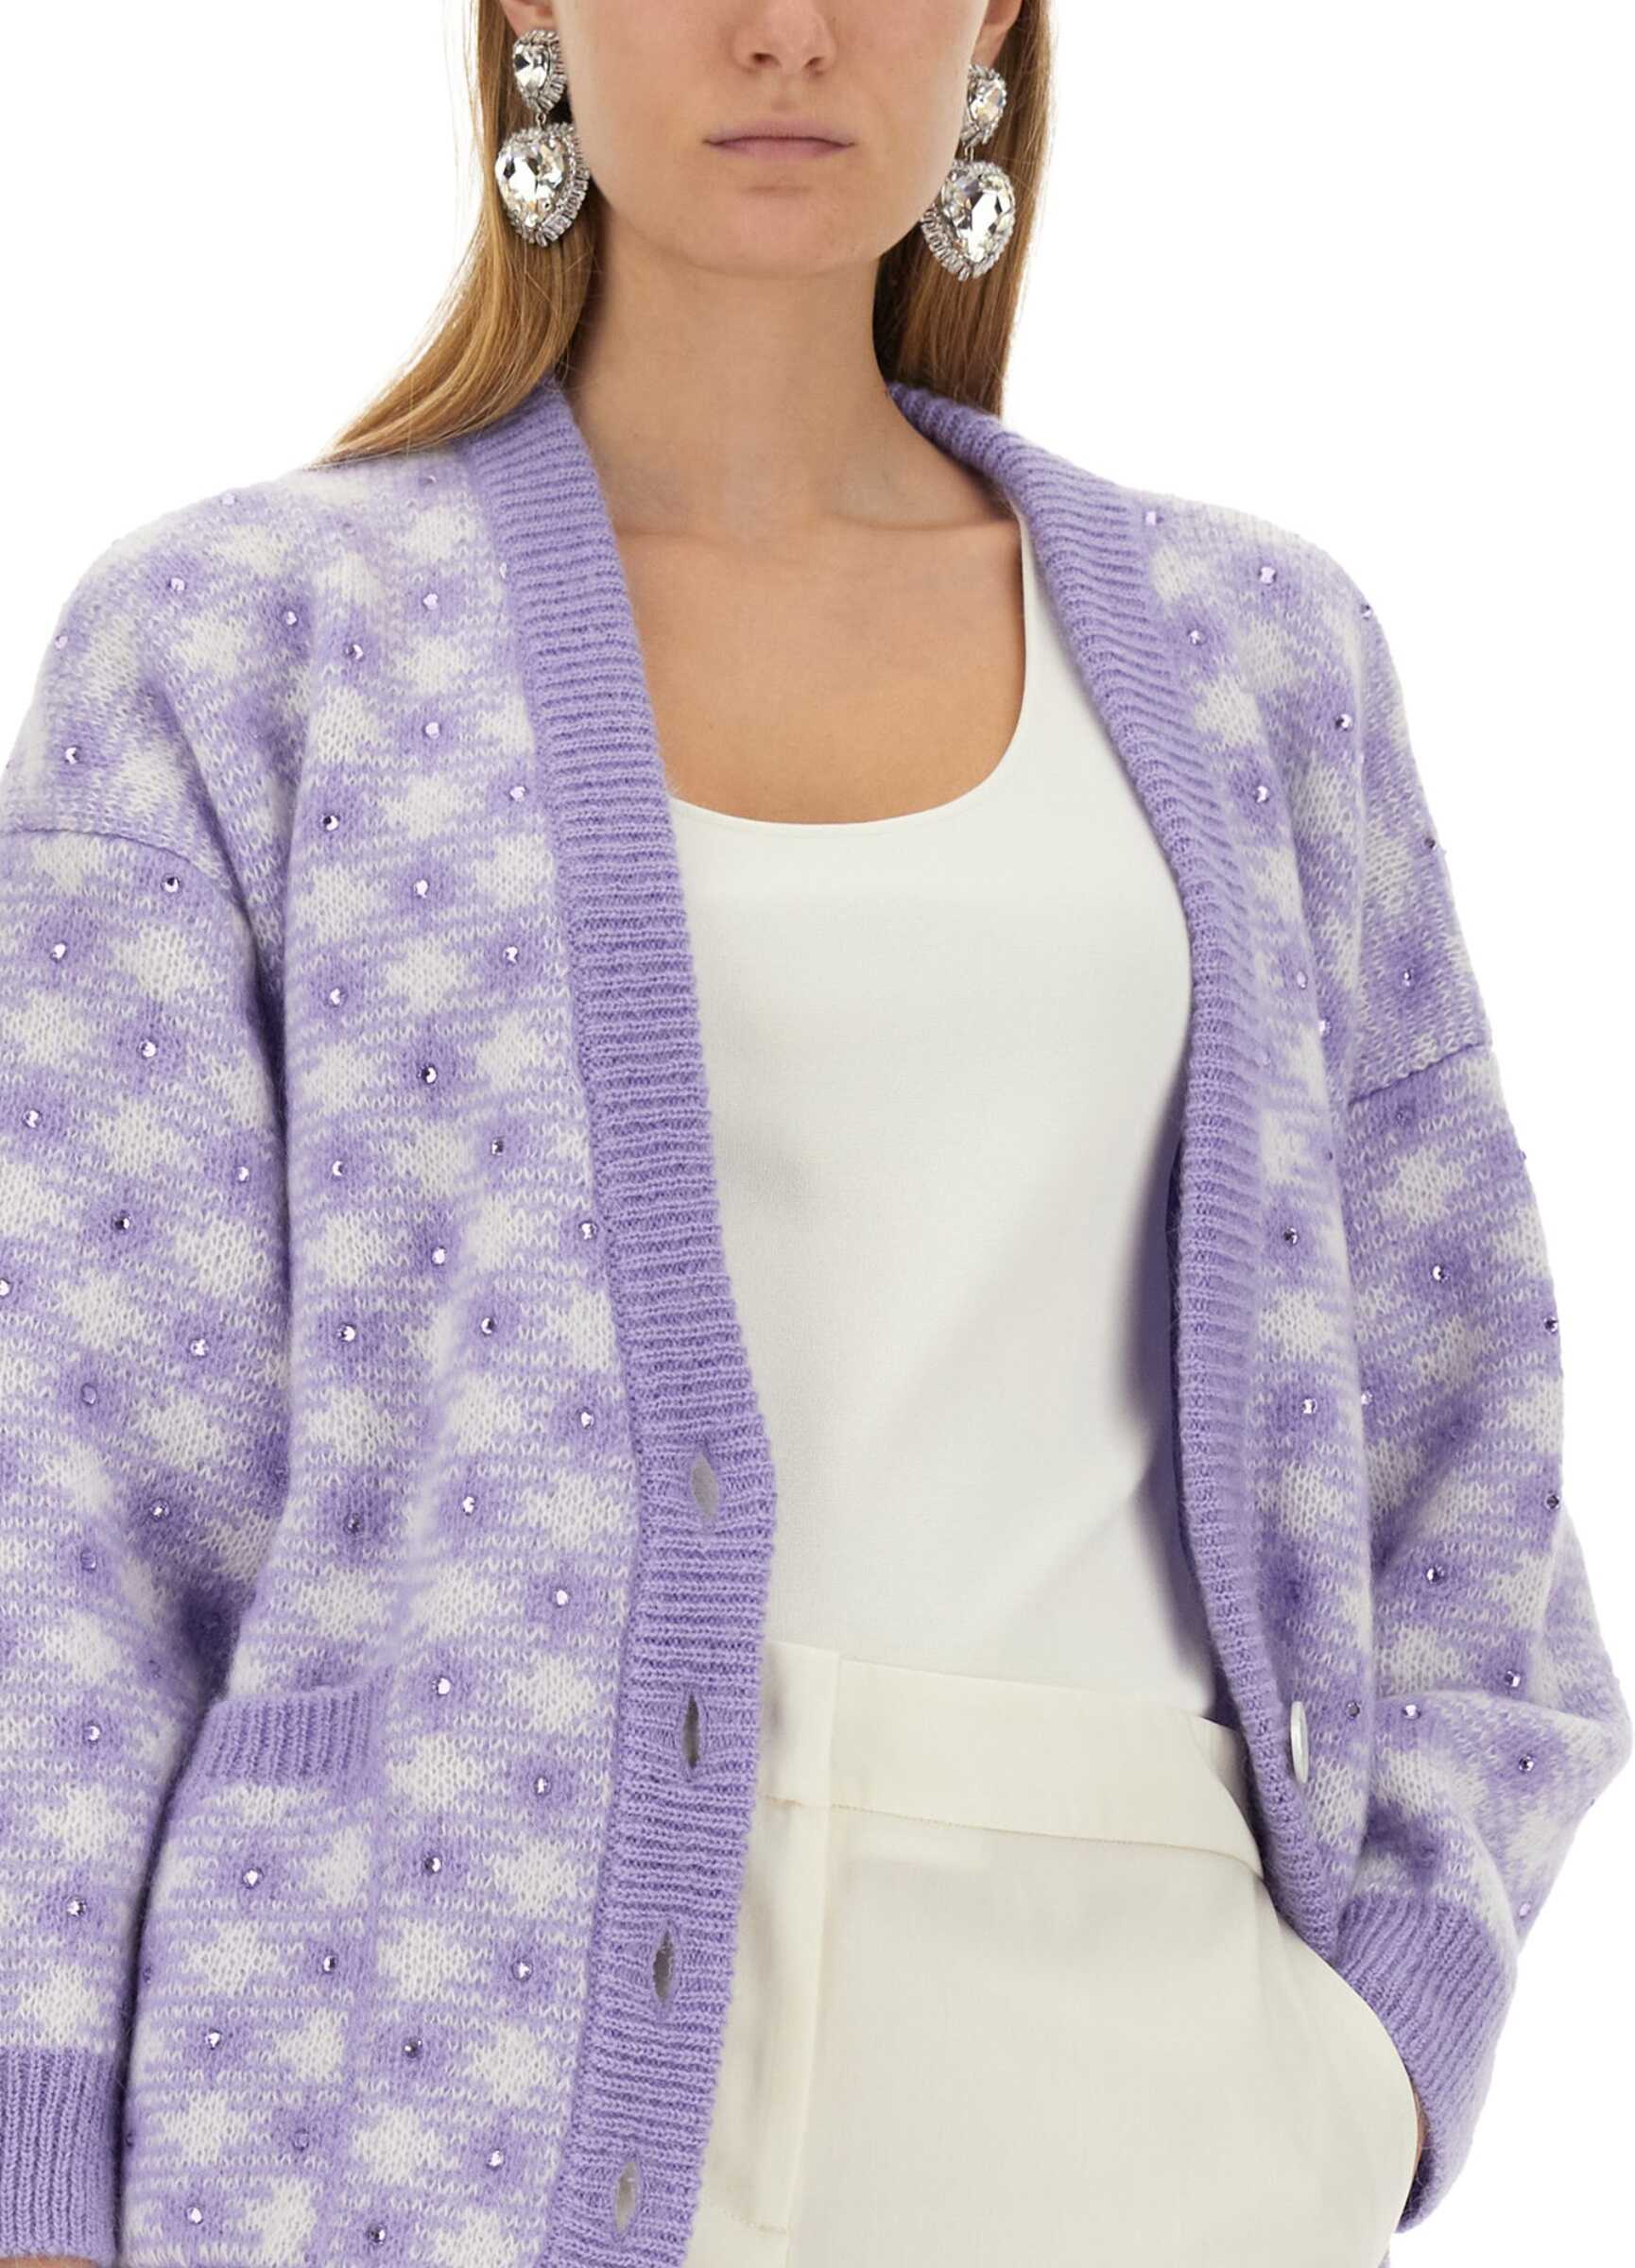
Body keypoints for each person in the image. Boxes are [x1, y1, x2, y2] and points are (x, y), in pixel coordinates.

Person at [0, 4, 1626, 2264]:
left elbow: (1464, 1440)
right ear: (529, 16)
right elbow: (69, 1515)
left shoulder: (1258, 657)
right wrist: (39, 2165)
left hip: (1158, 2102)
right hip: (429, 2087)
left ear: (995, 28)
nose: (784, 31)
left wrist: (1384, 2051)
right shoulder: (240, 651)